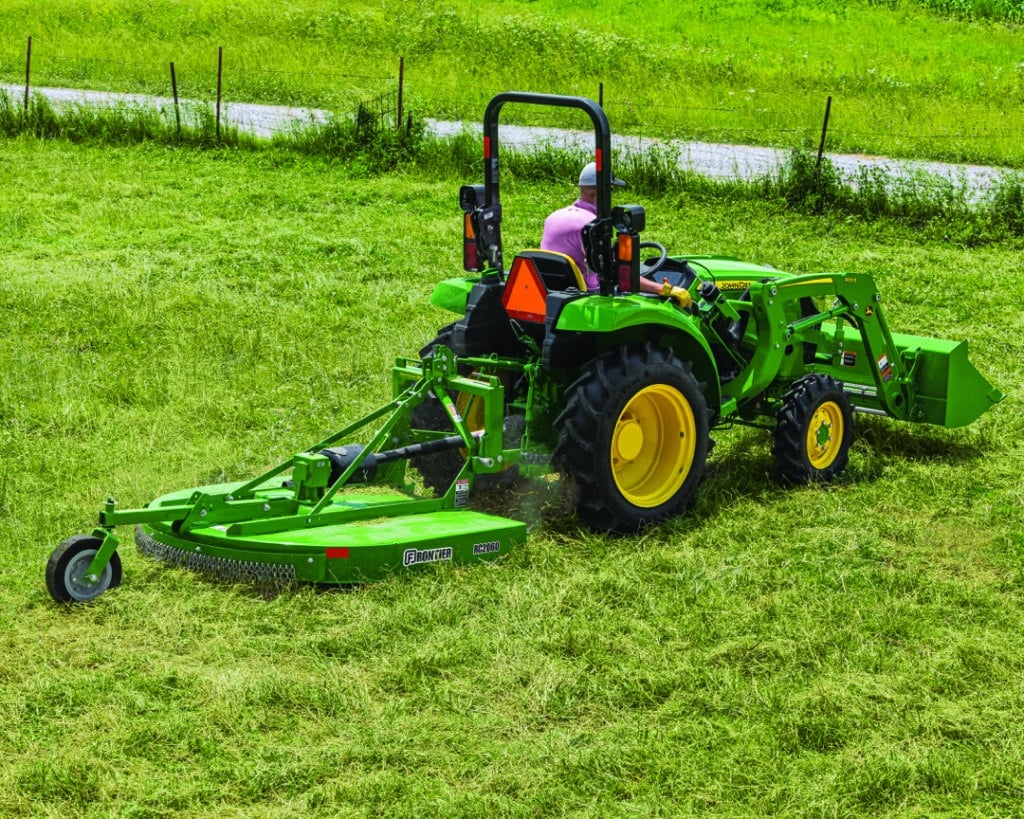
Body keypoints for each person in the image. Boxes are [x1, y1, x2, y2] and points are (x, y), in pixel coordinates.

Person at [540, 162, 689, 303]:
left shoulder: (553, 217)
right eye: (610, 191)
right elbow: (615, 273)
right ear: (596, 194)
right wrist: (663, 289)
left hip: (552, 290)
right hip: (585, 296)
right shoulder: (591, 226)